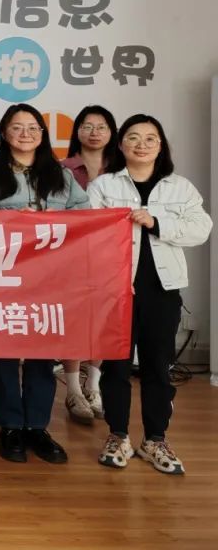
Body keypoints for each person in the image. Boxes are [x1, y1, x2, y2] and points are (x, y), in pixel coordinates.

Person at [90, 114, 212, 474]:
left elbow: (201, 229)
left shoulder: (180, 187)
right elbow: (91, 234)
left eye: (150, 138)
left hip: (162, 289)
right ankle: (117, 435)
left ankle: (155, 439)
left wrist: (157, 222)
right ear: (121, 144)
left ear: (161, 146)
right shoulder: (104, 185)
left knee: (158, 366)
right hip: (115, 289)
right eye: (133, 137)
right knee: (116, 365)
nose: (141, 144)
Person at [0, 104, 88, 465]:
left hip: (51, 276)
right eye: (17, 127)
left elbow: (87, 216)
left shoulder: (61, 175)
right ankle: (10, 425)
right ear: (4, 134)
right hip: (5, 276)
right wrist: (12, 219)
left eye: (33, 128)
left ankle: (37, 426)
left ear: (42, 135)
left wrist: (52, 219)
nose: (25, 134)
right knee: (4, 352)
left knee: (43, 350)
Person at [58, 105, 118, 424]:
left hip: (111, 255)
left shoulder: (122, 169)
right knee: (73, 320)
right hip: (72, 255)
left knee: (103, 320)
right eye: (87, 126)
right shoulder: (62, 169)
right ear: (77, 131)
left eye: (101, 126)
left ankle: (93, 386)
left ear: (112, 132)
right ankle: (72, 389)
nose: (94, 132)